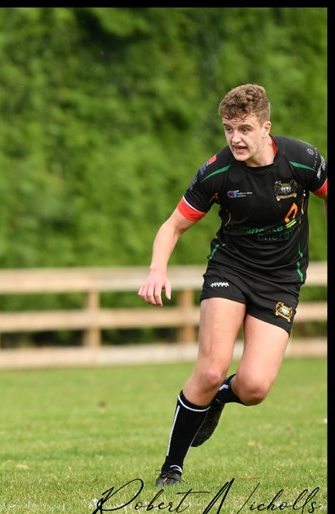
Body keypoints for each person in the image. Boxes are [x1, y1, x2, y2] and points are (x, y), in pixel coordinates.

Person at [138, 83, 328, 487]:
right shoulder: (218, 171)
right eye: (228, 129)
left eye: (244, 129)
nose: (235, 139)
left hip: (281, 280)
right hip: (231, 270)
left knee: (255, 387)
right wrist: (157, 270)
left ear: (265, 128)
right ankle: (171, 467)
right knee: (210, 370)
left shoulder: (303, 160)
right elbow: (172, 226)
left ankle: (220, 398)